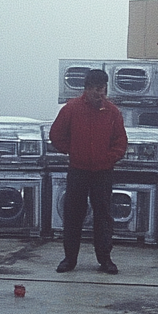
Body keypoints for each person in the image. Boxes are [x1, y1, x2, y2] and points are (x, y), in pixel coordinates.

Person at [50, 68, 127, 274]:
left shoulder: (113, 112)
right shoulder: (71, 109)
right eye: (94, 89)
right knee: (73, 215)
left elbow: (120, 142)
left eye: (101, 89)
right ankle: (69, 259)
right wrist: (72, 151)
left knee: (103, 216)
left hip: (103, 173)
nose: (98, 94)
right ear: (86, 89)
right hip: (78, 170)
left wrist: (109, 158)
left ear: (106, 89)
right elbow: (56, 134)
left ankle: (105, 259)